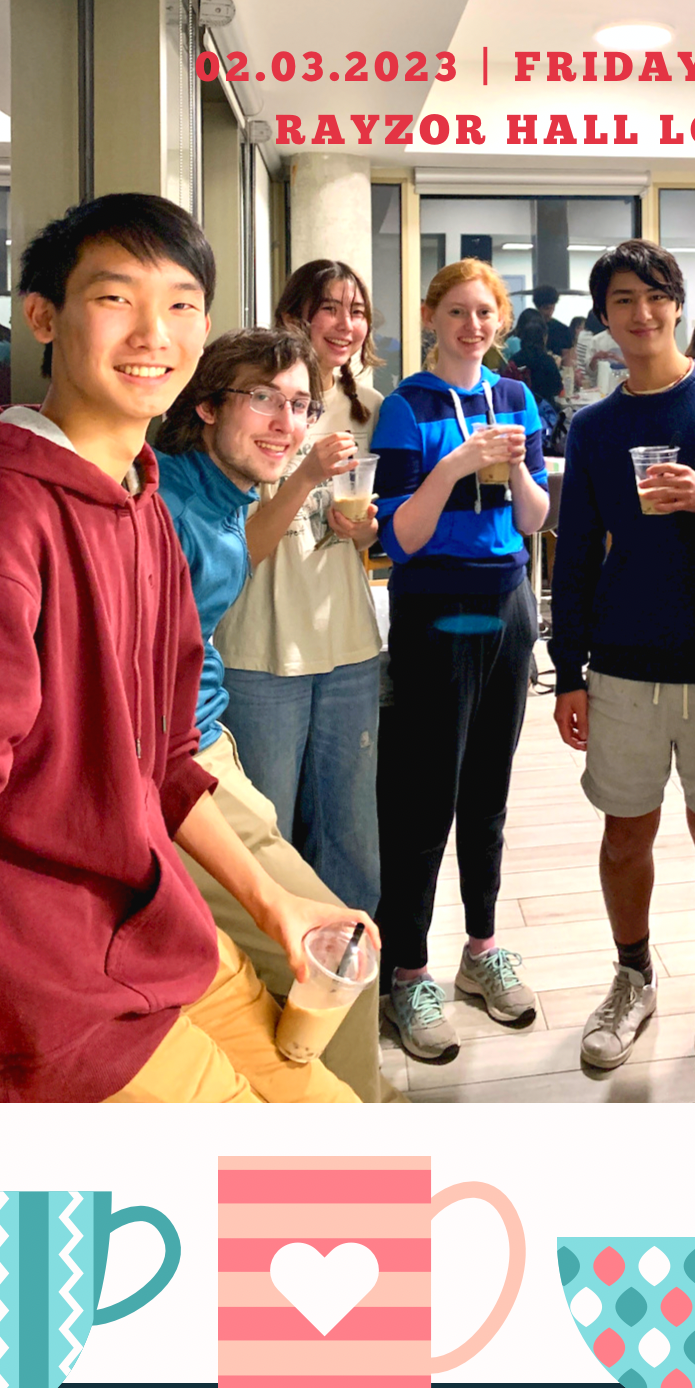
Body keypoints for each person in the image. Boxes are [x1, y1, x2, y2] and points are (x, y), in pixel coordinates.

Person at [0, 193, 368, 1103]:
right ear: (42, 315)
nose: (153, 330)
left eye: (182, 302)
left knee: (338, 1119)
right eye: (115, 298)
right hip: (62, 999)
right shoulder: (2, 524)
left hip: (157, 931)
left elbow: (162, 755)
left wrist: (275, 899)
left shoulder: (140, 500)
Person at [155, 325, 388, 1104]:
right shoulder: (163, 508)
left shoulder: (222, 498)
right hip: (180, 767)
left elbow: (242, 556)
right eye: (264, 399)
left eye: (300, 404)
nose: (287, 422)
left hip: (207, 741)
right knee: (341, 950)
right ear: (206, 404)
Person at [552, 243, 695, 1100]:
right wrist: (567, 668)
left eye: (656, 297)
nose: (642, 314)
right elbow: (571, 561)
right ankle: (632, 975)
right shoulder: (595, 428)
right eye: (623, 300)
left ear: (680, 303)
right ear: (604, 315)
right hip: (624, 661)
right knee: (624, 831)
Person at [371, 259, 550, 1060]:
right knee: (421, 795)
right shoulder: (406, 406)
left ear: (500, 321)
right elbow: (400, 536)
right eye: (455, 310)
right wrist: (454, 463)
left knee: (488, 786)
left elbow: (537, 516)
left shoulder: (515, 398)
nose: (471, 324)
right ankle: (407, 971)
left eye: (484, 311)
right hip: (434, 607)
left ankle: (480, 949)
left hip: (507, 603)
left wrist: (510, 463)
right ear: (430, 317)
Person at [217, 261, 383, 912]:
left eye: (357, 309)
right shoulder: (251, 402)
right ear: (294, 316)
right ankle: (271, 990)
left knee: (351, 834)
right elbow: (245, 548)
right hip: (262, 650)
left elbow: (366, 539)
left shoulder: (365, 404)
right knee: (267, 832)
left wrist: (365, 529)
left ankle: (349, 991)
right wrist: (308, 473)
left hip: (349, 644)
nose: (346, 324)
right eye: (330, 308)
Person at [533, 282, 577, 358]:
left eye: (552, 308)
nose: (550, 313)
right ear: (537, 307)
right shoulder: (530, 328)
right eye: (546, 308)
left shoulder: (562, 330)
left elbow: (567, 358)